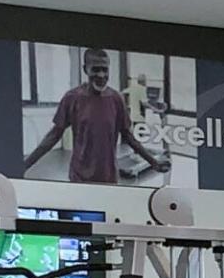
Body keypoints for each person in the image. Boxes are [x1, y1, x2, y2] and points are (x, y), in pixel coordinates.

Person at [23, 50, 159, 186]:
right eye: (95, 69)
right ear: (85, 69)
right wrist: (25, 164)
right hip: (80, 179)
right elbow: (53, 136)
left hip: (108, 178)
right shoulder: (72, 98)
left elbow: (128, 137)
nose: (101, 75)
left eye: (105, 70)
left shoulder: (116, 99)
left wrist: (153, 162)